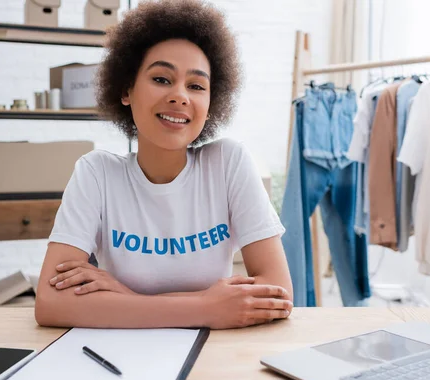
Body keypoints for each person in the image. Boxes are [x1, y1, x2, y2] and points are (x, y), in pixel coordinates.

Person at [35, 0, 293, 330]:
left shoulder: (229, 163)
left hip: (214, 357)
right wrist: (206, 308)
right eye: (161, 79)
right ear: (126, 90)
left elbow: (279, 293)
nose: (180, 96)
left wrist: (124, 299)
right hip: (121, 355)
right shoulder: (96, 173)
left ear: (211, 102)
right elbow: (50, 302)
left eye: (197, 86)